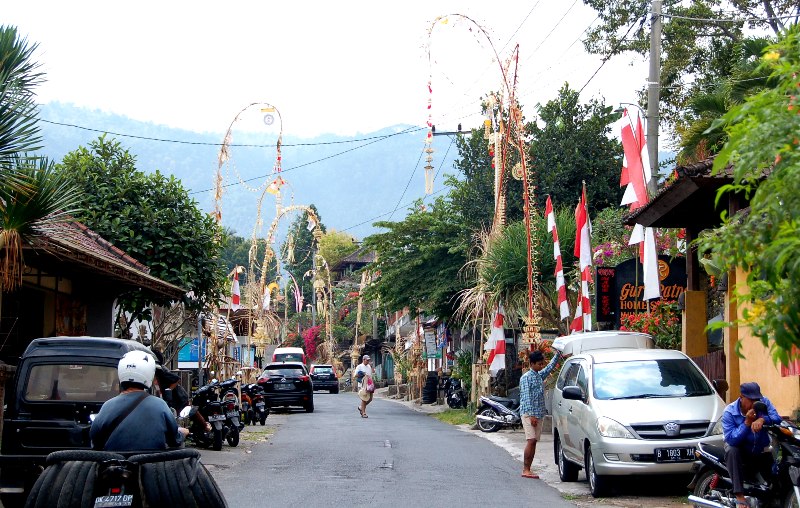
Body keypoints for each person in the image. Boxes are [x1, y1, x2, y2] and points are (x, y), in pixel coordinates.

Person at [90, 351, 189, 451]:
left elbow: (95, 440)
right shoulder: (160, 405)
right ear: (149, 374)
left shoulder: (107, 406)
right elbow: (174, 440)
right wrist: (183, 432)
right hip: (151, 464)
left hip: (114, 464)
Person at [722, 382, 782, 507]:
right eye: (751, 400)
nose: (754, 403)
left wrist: (763, 419)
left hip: (760, 449)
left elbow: (777, 417)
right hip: (740, 451)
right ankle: (739, 496)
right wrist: (747, 423)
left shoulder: (764, 403)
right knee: (732, 449)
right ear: (741, 397)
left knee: (776, 483)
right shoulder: (729, 412)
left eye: (757, 399)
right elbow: (732, 439)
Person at [518, 349, 562, 479]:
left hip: (539, 414)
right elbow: (527, 398)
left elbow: (549, 367)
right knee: (531, 440)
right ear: (532, 364)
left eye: (542, 363)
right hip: (529, 414)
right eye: (539, 364)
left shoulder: (538, 375)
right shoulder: (526, 378)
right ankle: (525, 469)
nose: (541, 366)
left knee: (534, 441)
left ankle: (528, 468)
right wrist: (532, 416)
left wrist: (558, 355)